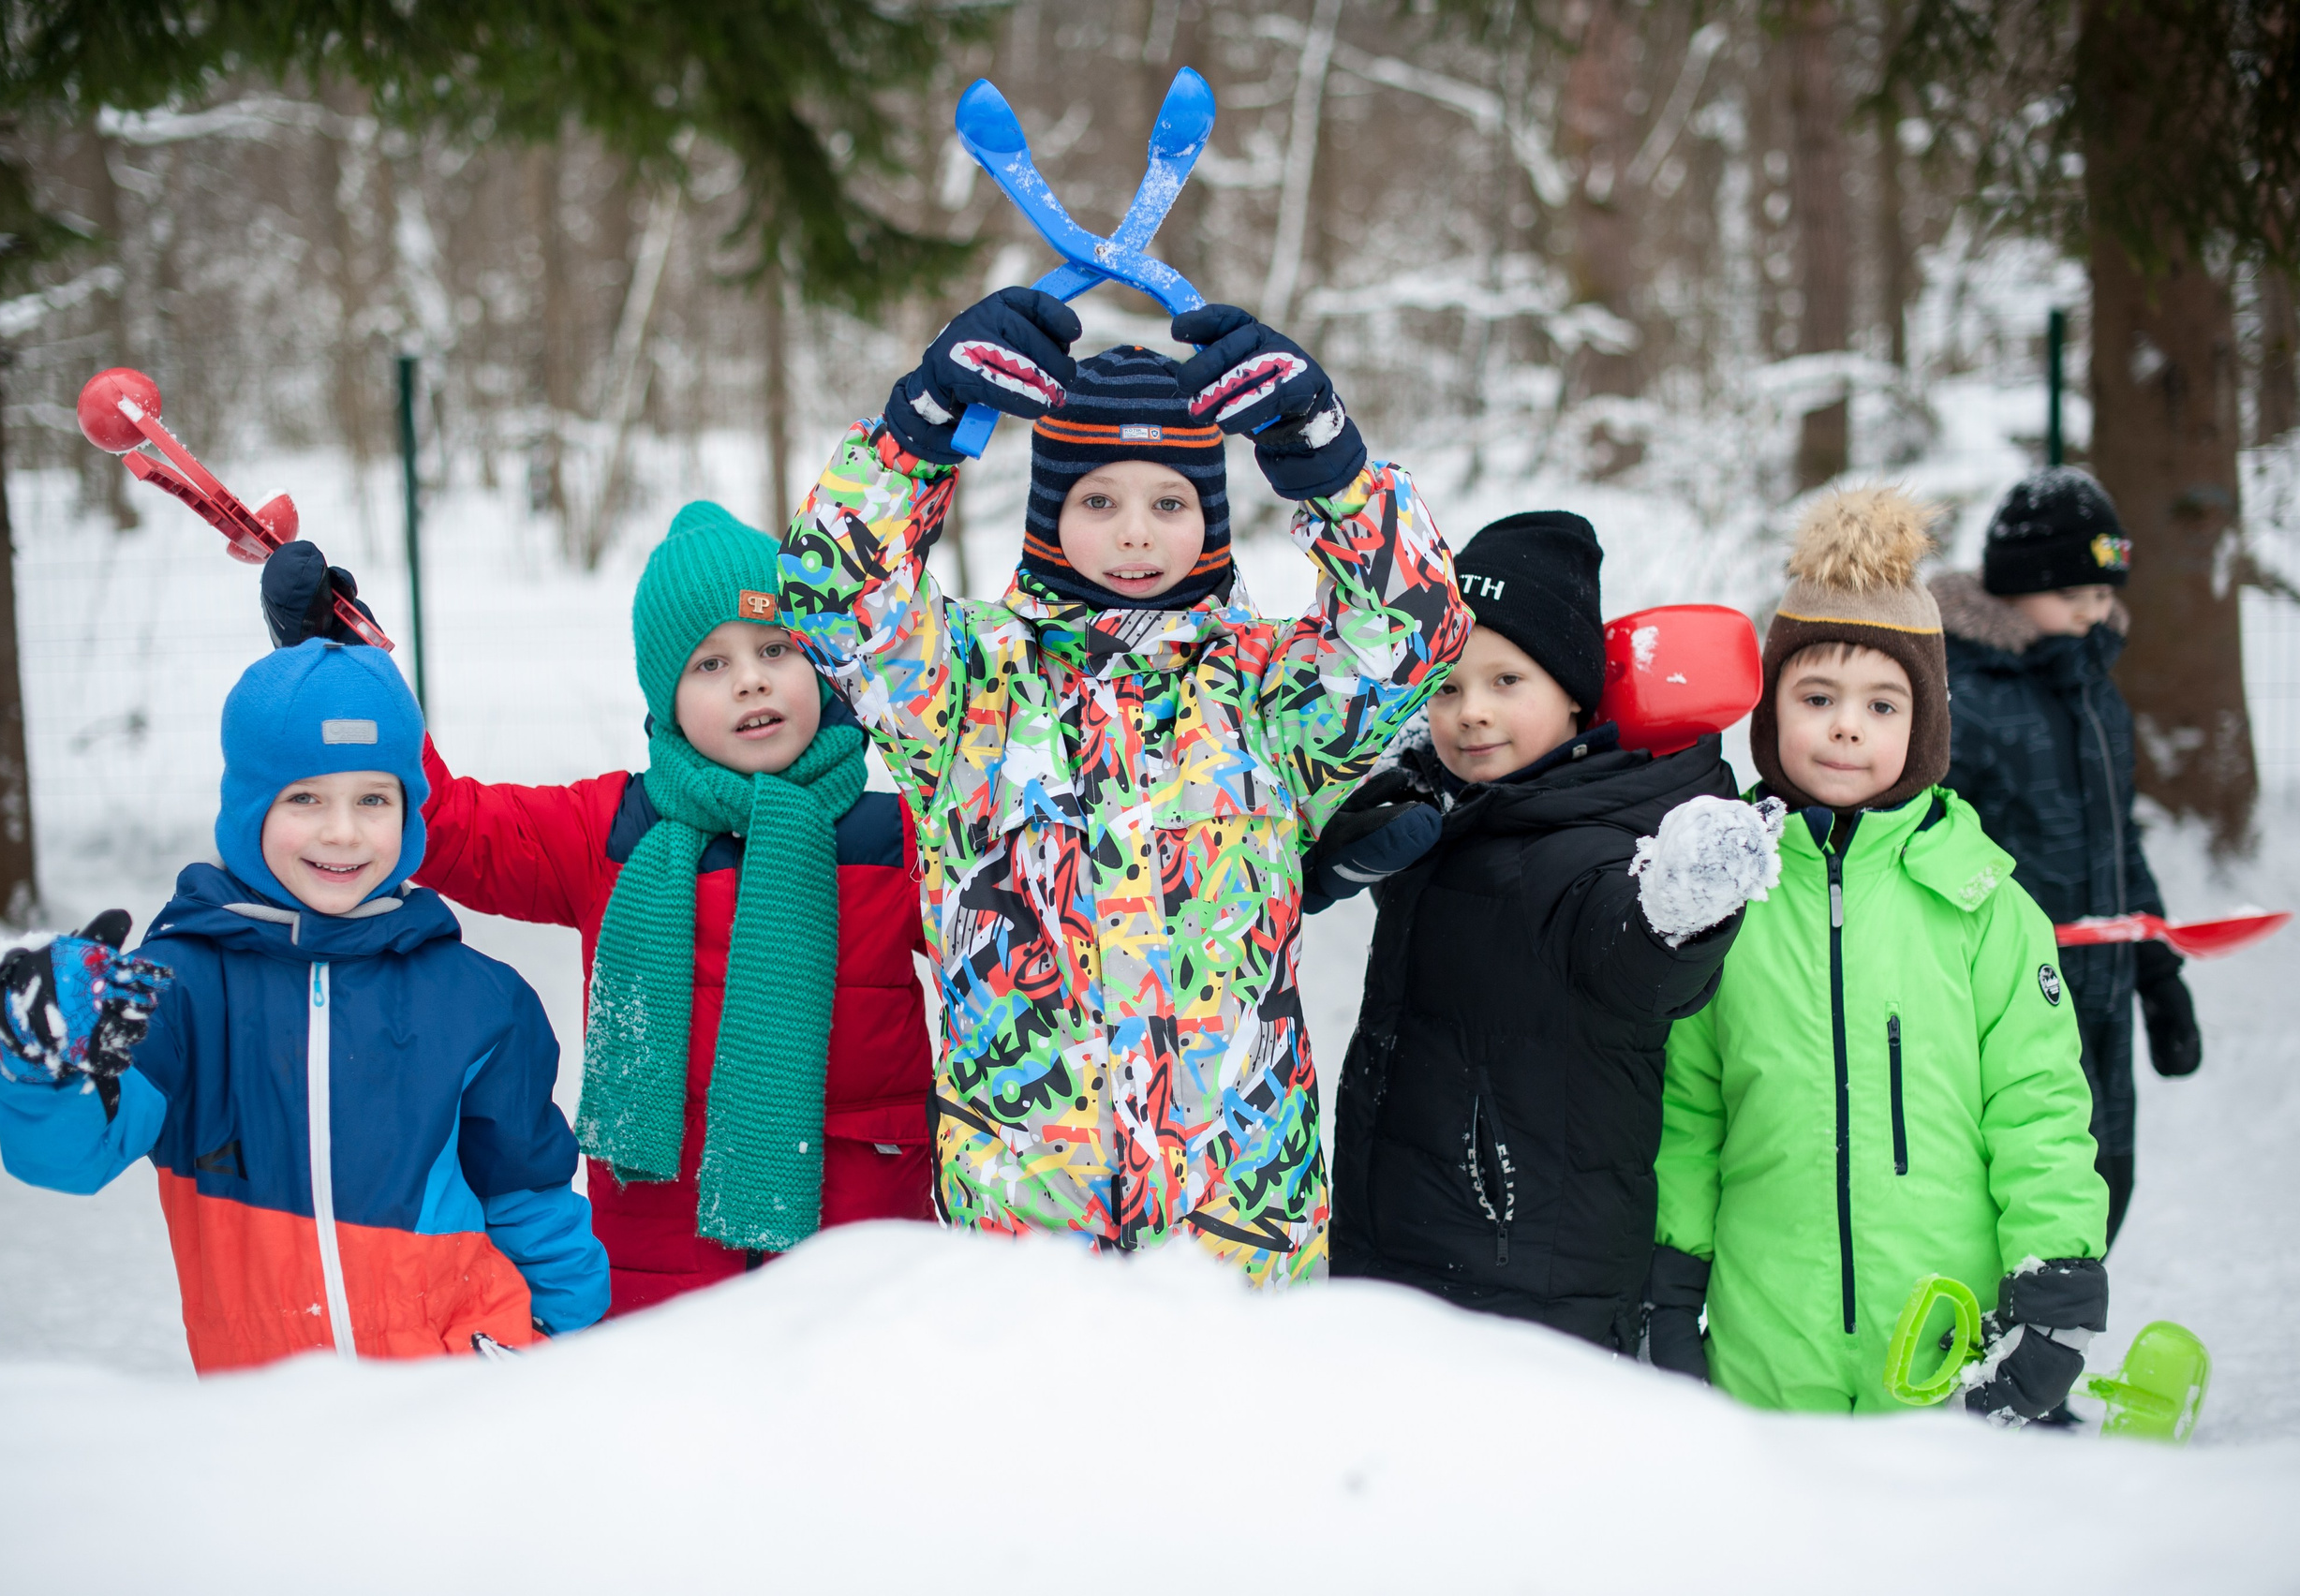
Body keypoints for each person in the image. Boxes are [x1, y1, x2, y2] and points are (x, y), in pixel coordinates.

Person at [779, 289, 1470, 1282]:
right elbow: (829, 598)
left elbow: (1415, 634)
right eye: (1098, 502)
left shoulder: (1267, 696)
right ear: (1048, 514)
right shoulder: (965, 688)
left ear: (1211, 519)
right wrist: (917, 431)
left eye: (1169, 503)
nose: (1135, 534)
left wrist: (1331, 464)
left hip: (1238, 1239)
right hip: (1025, 1243)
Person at [260, 505, 935, 1314]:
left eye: (775, 649)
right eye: (709, 664)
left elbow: (1022, 939)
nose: (750, 680)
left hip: (865, 1272)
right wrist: (342, 667)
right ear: (666, 700)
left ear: (819, 663)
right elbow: (443, 824)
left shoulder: (898, 841)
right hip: (663, 1275)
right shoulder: (609, 833)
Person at [0, 641, 607, 1372]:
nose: (342, 831)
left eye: (373, 799)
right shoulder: (179, 992)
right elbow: (68, 1159)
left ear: (409, 813)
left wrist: (563, 1351)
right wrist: (42, 1061)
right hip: (271, 1410)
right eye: (305, 798)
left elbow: (529, 1198)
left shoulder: (477, 999)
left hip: (457, 1395)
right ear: (251, 807)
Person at [1650, 486, 2112, 1423]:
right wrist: (1669, 1280)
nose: (1846, 726)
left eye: (1882, 703)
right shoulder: (1728, 898)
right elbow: (1690, 1112)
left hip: (1941, 1345)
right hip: (1766, 1339)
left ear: (1924, 725)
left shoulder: (1984, 905)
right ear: (1772, 713)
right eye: (1816, 698)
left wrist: (2056, 1284)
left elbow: (2038, 1103)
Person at [1314, 510, 1782, 1350]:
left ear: (1572, 691)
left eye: (1507, 682)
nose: (1471, 713)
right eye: (1447, 687)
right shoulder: (1444, 812)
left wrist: (1677, 911)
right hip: (1387, 1248)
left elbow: (1633, 962)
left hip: (1531, 1286)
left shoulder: (1596, 845)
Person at [1930, 468, 2200, 1245]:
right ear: (2016, 587)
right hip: (2007, 1004)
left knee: (2102, 1189)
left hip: (2104, 999)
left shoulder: (2096, 694)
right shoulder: (1962, 699)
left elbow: (2121, 845)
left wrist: (2160, 976)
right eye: (2073, 593)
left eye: (2104, 593)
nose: (2094, 610)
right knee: (2016, 1197)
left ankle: (2065, 1317)